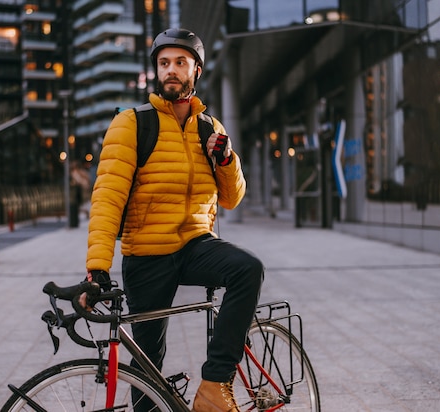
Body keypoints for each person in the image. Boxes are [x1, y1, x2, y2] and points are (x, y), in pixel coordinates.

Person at [84, 28, 264, 412]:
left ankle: (215, 385)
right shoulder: (132, 124)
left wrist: (227, 161)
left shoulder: (210, 128)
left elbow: (232, 199)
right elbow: (106, 199)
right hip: (147, 253)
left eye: (180, 63)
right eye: (164, 63)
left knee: (248, 269)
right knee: (148, 361)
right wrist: (97, 267)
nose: (170, 70)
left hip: (196, 244)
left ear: (195, 71)